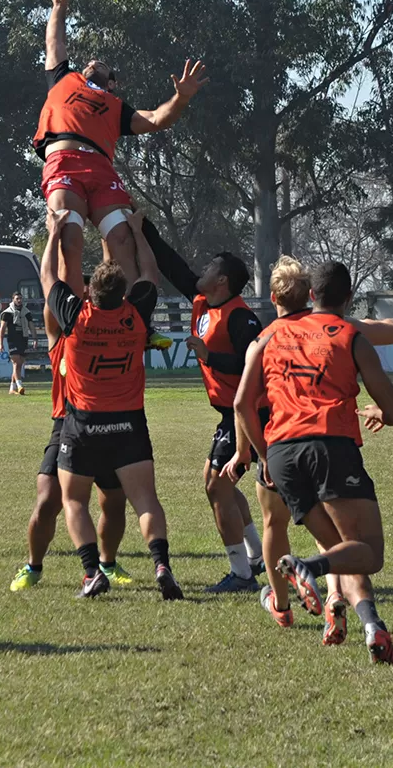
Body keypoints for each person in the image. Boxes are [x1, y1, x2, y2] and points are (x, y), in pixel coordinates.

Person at [233, 257, 393, 663]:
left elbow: (241, 403)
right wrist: (381, 413)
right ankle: (307, 567)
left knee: (341, 550)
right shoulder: (350, 335)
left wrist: (263, 457)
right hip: (330, 446)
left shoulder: (270, 335)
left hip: (282, 454)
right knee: (369, 552)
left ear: (312, 295)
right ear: (349, 297)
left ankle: (373, 627)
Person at [36, 0, 207, 350]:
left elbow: (158, 118)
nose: (93, 62)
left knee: (124, 239)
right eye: (90, 63)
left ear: (112, 84)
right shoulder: (64, 79)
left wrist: (181, 98)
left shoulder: (116, 108)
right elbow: (54, 41)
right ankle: (72, 332)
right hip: (64, 162)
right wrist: (58, 6)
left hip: (101, 171)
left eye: (103, 67)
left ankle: (133, 326)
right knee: (69, 240)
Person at [43, 207, 183, 600]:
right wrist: (136, 232)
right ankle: (161, 566)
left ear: (89, 292)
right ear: (124, 293)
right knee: (146, 501)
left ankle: (92, 573)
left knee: (74, 500)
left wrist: (54, 233)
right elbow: (150, 273)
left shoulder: (76, 316)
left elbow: (48, 276)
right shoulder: (136, 314)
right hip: (129, 424)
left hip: (83, 424)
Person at [136, 222, 266, 592]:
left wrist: (211, 357)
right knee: (220, 483)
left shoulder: (241, 317)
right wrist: (141, 227)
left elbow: (254, 366)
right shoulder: (203, 301)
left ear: (222, 280)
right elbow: (172, 264)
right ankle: (256, 557)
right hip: (231, 412)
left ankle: (242, 573)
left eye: (210, 268)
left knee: (216, 485)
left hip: (250, 411)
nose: (202, 271)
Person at [11, 273, 134, 591]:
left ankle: (107, 564)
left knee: (114, 501)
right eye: (77, 291)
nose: (82, 296)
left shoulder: (110, 328)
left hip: (107, 423)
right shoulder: (61, 333)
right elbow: (53, 291)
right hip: (65, 424)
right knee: (47, 502)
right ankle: (33, 566)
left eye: (87, 291)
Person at [0, 293, 33, 395]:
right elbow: (2, 329)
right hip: (12, 340)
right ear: (13, 299)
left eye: (20, 298)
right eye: (17, 298)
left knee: (19, 364)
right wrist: (0, 343)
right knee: (16, 363)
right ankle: (20, 386)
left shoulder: (26, 312)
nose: (19, 300)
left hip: (23, 339)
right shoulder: (7, 313)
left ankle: (12, 388)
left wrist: (35, 338)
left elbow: (31, 325)